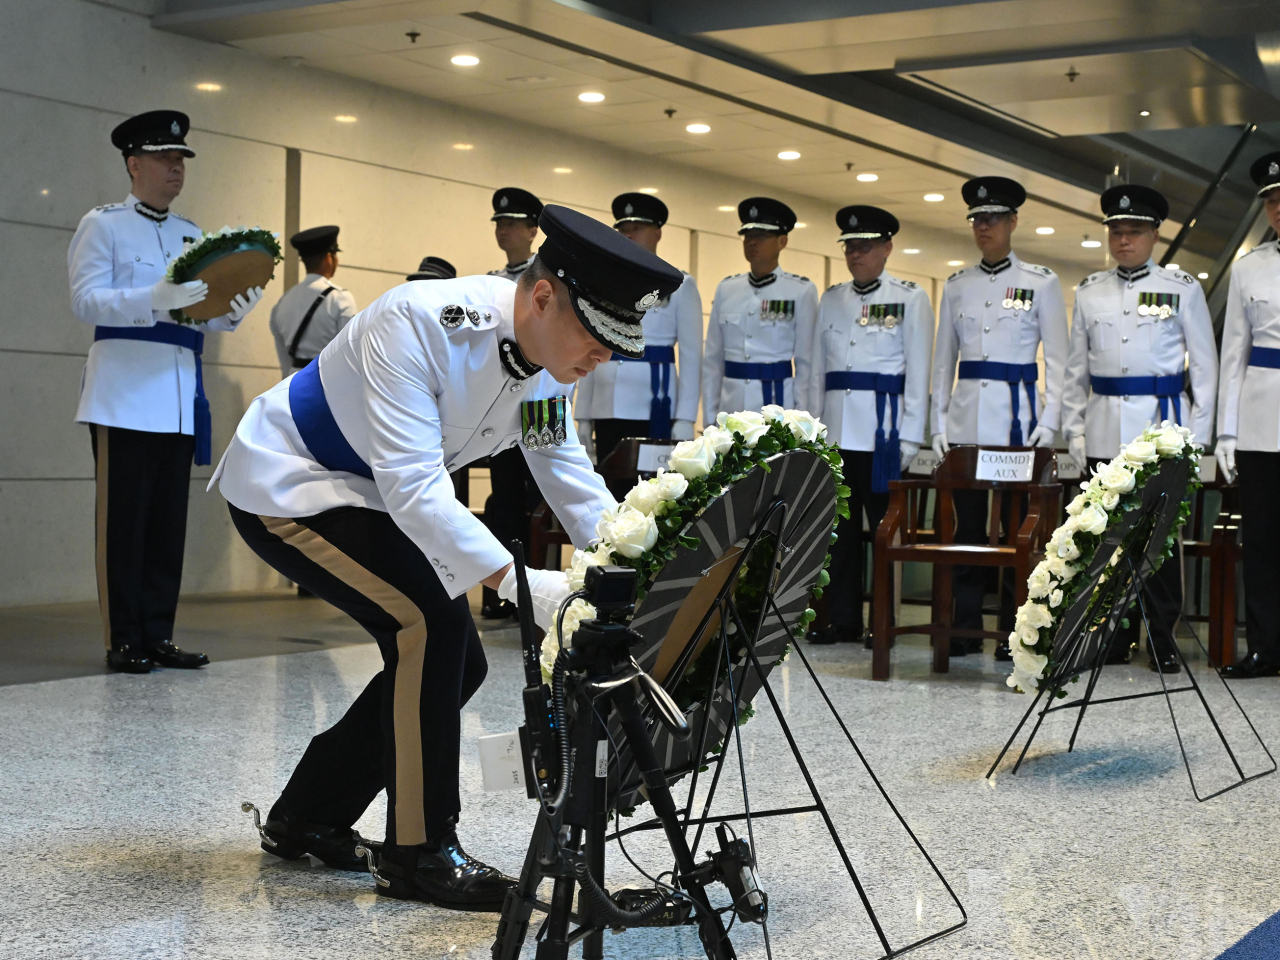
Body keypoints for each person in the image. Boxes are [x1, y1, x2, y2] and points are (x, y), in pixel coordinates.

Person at [211, 204, 683, 909]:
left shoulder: (552, 355)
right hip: (291, 481)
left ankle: (309, 812)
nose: (604, 356)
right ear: (545, 295)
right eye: (596, 335)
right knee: (428, 628)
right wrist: (522, 586)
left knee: (460, 659)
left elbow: (564, 469)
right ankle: (418, 854)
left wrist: (636, 560)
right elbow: (415, 489)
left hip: (369, 493)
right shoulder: (418, 322)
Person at [68, 109, 263, 674]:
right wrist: (149, 298)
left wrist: (229, 313)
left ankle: (157, 633)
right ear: (133, 165)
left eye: (180, 159)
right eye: (164, 158)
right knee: (122, 524)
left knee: (165, 524)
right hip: (123, 393)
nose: (176, 168)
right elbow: (84, 300)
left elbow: (199, 315)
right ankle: (122, 637)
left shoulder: (192, 234)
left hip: (178, 395)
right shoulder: (102, 225)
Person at [1062, 185, 1218, 672]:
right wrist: (1074, 431)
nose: (1123, 239)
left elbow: (1206, 368)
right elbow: (1074, 370)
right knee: (1107, 538)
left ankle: (1162, 635)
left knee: (1161, 540)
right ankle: (1111, 635)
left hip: (1162, 428)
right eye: (1116, 230)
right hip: (1104, 424)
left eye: (1134, 231)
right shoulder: (1089, 292)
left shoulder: (1182, 288)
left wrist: (1200, 435)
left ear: (1154, 234)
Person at [930, 176, 1068, 660]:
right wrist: (938, 423)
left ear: (1012, 222)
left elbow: (1061, 360)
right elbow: (943, 360)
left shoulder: (1041, 282)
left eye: (993, 218)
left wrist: (1049, 424)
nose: (983, 227)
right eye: (977, 219)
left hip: (1018, 424)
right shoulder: (957, 285)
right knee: (966, 533)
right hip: (968, 425)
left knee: (1018, 535)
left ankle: (1017, 631)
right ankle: (965, 628)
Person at [807, 206, 933, 645]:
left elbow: (920, 372)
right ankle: (842, 620)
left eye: (865, 246)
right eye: (850, 246)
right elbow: (816, 372)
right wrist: (812, 430)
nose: (855, 254)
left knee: (883, 535)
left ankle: (884, 622)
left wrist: (912, 435)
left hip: (884, 437)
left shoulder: (911, 298)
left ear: (887, 248)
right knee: (838, 535)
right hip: (838, 432)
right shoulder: (832, 298)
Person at [575, 192, 703, 463]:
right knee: (610, 488)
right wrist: (583, 415)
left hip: (653, 406)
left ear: (657, 233)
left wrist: (685, 417)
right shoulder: (601, 282)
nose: (628, 235)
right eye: (622, 229)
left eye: (637, 229)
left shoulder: (679, 285)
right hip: (605, 405)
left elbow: (692, 359)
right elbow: (589, 345)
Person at [1218, 153, 1280, 678]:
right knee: (1260, 541)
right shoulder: (1249, 267)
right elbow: (1232, 354)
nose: (1278, 209)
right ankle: (1264, 647)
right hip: (1261, 424)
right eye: (1272, 201)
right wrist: (1226, 430)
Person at [483, 187, 545, 618]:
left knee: (537, 499)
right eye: (499, 223)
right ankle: (500, 594)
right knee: (502, 498)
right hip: (501, 406)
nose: (504, 230)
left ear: (532, 230)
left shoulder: (547, 276)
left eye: (512, 223)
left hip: (539, 402)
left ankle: (536, 594)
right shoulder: (489, 280)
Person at [701, 197, 818, 425]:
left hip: (777, 406)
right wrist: (709, 418)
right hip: (731, 408)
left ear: (782, 241)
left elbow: (806, 365)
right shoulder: (727, 288)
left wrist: (802, 421)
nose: (752, 242)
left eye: (761, 236)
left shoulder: (800, 291)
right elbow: (713, 361)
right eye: (748, 236)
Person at [268, 226, 358, 378]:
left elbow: (284, 362)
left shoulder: (282, 303)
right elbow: (350, 354)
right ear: (329, 257)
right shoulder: (340, 298)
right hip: (328, 385)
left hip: (293, 386)